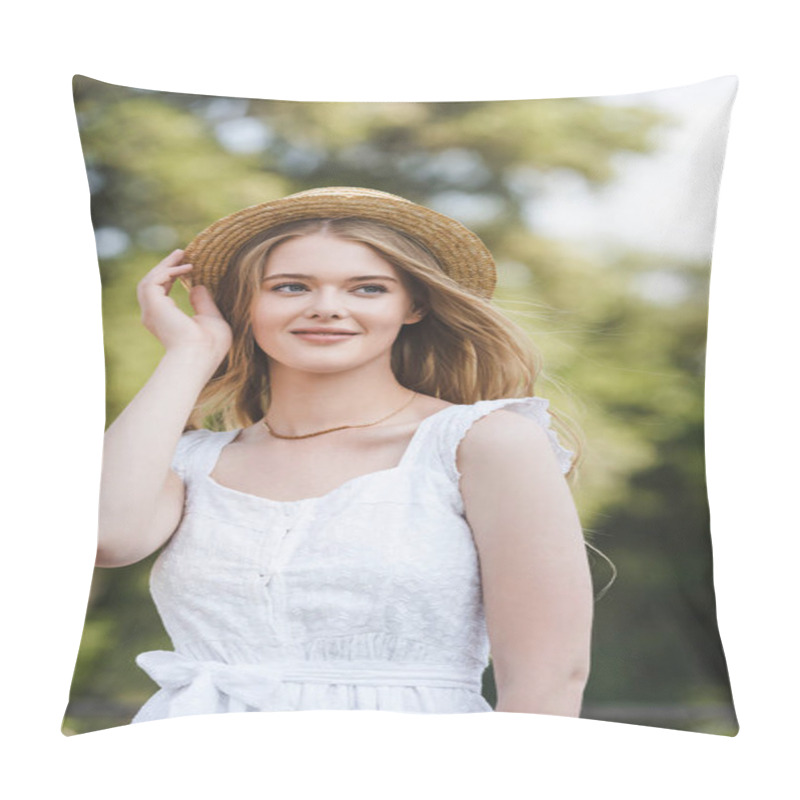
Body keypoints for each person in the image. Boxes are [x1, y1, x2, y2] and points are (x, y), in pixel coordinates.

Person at [97, 186, 594, 721]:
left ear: (414, 305)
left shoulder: (483, 442)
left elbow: (550, 680)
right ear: (245, 304)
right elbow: (107, 536)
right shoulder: (188, 460)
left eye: (367, 289)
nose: (327, 309)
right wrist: (190, 353)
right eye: (290, 287)